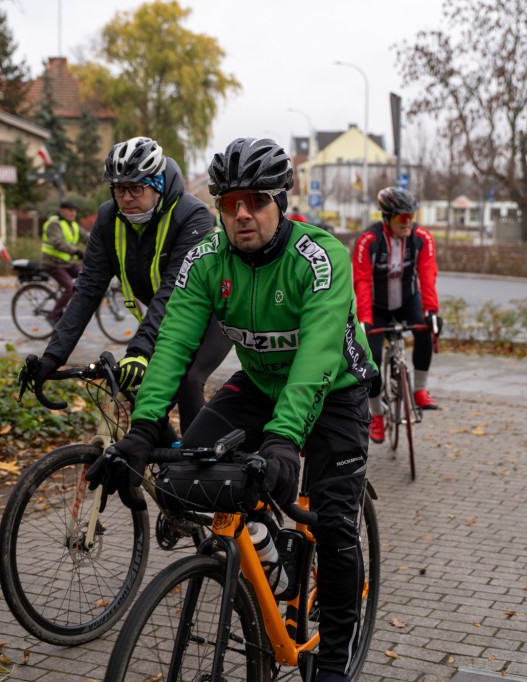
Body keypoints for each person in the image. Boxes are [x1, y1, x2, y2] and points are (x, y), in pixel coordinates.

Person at [84, 137, 376, 682]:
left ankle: (335, 659)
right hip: (262, 384)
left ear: (279, 201)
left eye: (255, 201)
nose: (241, 214)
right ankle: (271, 551)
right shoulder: (207, 260)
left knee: (335, 525)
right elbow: (173, 345)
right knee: (187, 469)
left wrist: (285, 441)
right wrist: (143, 430)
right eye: (228, 203)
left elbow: (314, 357)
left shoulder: (319, 257)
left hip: (333, 387)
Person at [33, 136, 231, 433]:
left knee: (188, 379)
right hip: (168, 318)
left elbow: (173, 291)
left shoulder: (192, 216)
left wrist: (139, 351)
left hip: (215, 312)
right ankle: (161, 465)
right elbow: (87, 289)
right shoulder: (108, 219)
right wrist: (52, 356)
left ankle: (194, 471)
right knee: (145, 402)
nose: (125, 197)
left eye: (136, 187)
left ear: (159, 185)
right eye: (118, 188)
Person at [352, 186, 443, 444]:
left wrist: (431, 311)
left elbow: (427, 276)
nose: (409, 223)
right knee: (372, 357)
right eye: (402, 218)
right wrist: (365, 320)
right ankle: (377, 414)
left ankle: (419, 390)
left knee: (427, 327)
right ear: (387, 218)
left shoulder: (422, 238)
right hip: (377, 306)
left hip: (407, 299)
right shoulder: (368, 241)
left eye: (412, 217)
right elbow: (361, 282)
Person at [41, 199, 90, 322]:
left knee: (87, 276)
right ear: (62, 211)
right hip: (52, 263)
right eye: (70, 210)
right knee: (70, 287)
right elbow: (58, 243)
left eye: (74, 211)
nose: (73, 213)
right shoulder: (54, 224)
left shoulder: (73, 225)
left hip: (66, 262)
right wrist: (77, 252)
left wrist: (102, 244)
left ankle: (75, 308)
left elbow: (88, 237)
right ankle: (53, 315)